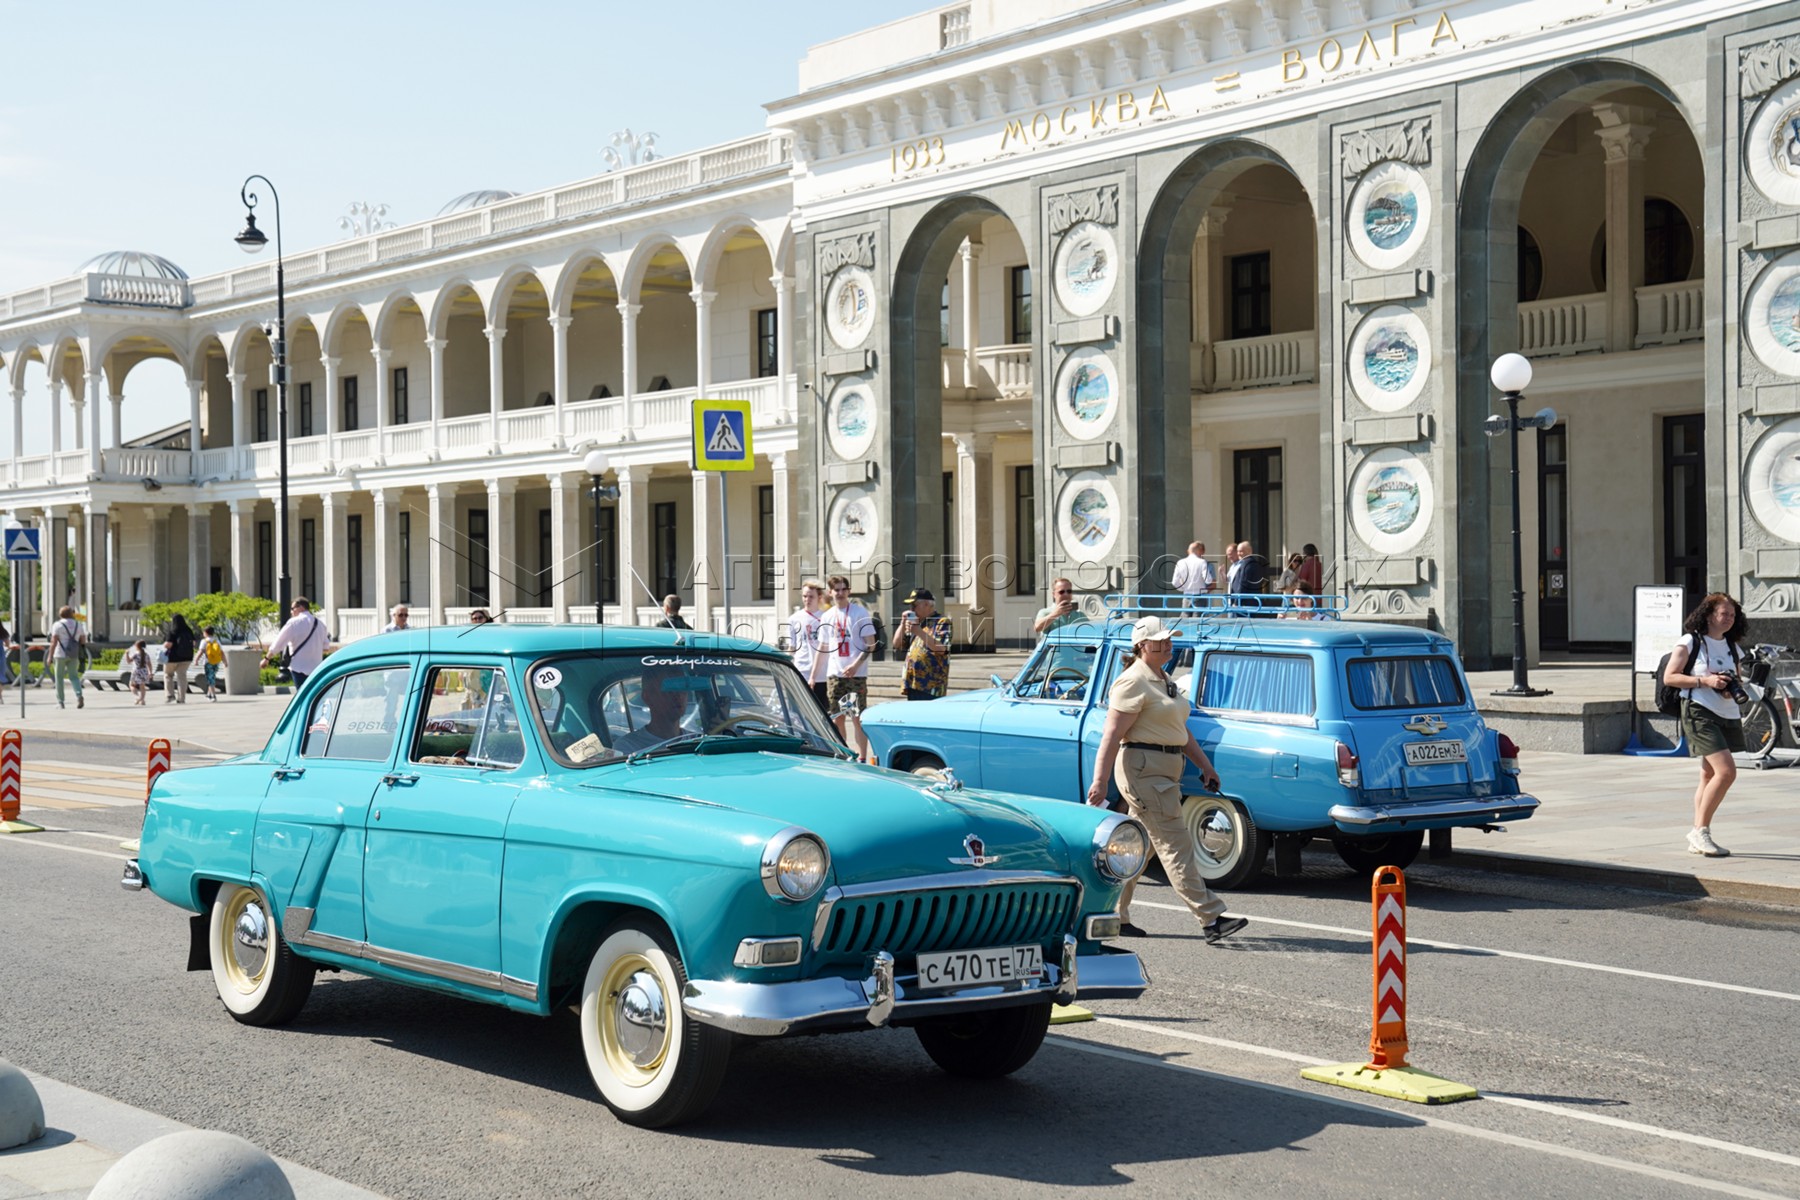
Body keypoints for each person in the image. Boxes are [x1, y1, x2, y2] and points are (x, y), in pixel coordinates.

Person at [1085, 615, 1247, 945]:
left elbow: (1180, 731)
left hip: (1163, 769)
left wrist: (1205, 766)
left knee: (1137, 848)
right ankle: (1211, 918)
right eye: (1160, 640)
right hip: (1144, 769)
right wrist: (1099, 782)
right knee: (1176, 844)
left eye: (1170, 639)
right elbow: (1111, 736)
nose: (1168, 644)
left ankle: (1114, 913)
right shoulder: (1132, 681)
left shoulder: (1162, 677)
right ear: (1142, 645)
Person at [1664, 592, 1749, 857]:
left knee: (1709, 775)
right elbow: (1670, 677)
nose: (1729, 619)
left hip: (1726, 711)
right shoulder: (1691, 642)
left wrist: (1727, 688)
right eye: (1724, 614)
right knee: (1726, 772)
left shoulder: (1732, 646)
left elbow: (1735, 678)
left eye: (1733, 615)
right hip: (1699, 711)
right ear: (1709, 615)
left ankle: (1696, 834)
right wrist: (1705, 682)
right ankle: (1701, 831)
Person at [820, 575, 877, 759]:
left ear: (849, 591)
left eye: (844, 589)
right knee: (837, 718)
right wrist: (813, 674)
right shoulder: (827, 616)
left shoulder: (860, 613)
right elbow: (823, 647)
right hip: (835, 674)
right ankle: (843, 754)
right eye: (837, 589)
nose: (841, 593)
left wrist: (855, 665)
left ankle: (862, 756)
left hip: (856, 674)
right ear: (830, 592)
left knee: (857, 717)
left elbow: (871, 644)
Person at [892, 586, 953, 701]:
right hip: (913, 683)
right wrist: (902, 623)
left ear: (926, 604)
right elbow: (896, 644)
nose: (911, 609)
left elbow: (942, 648)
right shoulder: (916, 623)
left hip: (931, 685)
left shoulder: (942, 622)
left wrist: (918, 631)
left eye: (914, 605)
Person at [615, 666, 693, 755]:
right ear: (647, 697)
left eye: (683, 688)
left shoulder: (697, 741)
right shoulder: (629, 747)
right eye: (670, 690)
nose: (679, 696)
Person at [262, 597, 328, 690]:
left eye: (293, 609)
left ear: (301, 607)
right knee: (313, 696)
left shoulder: (293, 622)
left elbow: (278, 643)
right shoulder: (320, 624)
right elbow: (326, 647)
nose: (291, 612)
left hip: (298, 667)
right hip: (316, 668)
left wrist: (266, 659)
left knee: (301, 696)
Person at [788, 579, 830, 718]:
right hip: (801, 670)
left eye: (811, 596)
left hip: (821, 674)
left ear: (819, 597)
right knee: (798, 713)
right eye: (805, 596)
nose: (807, 599)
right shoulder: (794, 619)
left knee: (821, 714)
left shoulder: (825, 618)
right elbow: (792, 646)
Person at [48, 605, 86, 710]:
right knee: (74, 676)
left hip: (60, 654)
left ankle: (61, 702)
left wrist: (49, 656)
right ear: (71, 614)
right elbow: (83, 640)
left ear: (61, 614)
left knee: (59, 678)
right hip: (74, 654)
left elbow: (53, 642)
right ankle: (79, 695)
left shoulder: (57, 625)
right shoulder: (78, 624)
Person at [162, 614, 196, 705]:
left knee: (168, 675)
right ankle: (181, 698)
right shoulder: (188, 630)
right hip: (187, 658)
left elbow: (168, 644)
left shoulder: (172, 631)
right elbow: (194, 643)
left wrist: (163, 646)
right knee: (182, 677)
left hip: (172, 658)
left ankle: (170, 695)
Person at [1169, 542, 1214, 608]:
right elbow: (1208, 581)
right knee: (1198, 618)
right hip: (1200, 596)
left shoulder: (1180, 562)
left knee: (1185, 617)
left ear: (1188, 551)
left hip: (1186, 596)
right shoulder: (1202, 562)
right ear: (1199, 551)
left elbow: (1174, 582)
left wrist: (1183, 589)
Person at [197, 625, 225, 702]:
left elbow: (201, 652)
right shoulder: (217, 641)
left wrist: (196, 660)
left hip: (208, 662)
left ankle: (213, 695)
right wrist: (225, 662)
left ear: (205, 633)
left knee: (210, 679)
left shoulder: (204, 641)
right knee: (212, 677)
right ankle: (209, 694)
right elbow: (221, 652)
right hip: (216, 662)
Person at [125, 639, 152, 705]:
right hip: (144, 671)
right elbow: (149, 664)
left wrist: (126, 654)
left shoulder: (135, 654)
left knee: (131, 685)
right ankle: (142, 700)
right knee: (142, 686)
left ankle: (138, 697)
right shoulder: (146, 655)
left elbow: (128, 661)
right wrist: (150, 672)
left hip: (136, 671)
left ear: (137, 646)